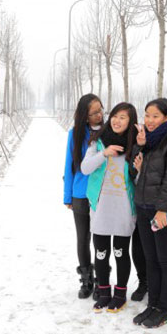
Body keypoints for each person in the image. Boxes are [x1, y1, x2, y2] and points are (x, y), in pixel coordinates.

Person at [80, 102, 139, 313]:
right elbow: (85, 168)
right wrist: (104, 154)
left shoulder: (135, 145)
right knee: (101, 252)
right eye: (115, 115)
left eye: (123, 117)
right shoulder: (97, 142)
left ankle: (120, 294)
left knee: (121, 252)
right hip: (101, 207)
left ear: (131, 122)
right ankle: (104, 292)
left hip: (123, 208)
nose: (117, 120)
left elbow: (140, 178)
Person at [130, 98, 167, 329]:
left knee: (165, 259)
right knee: (150, 259)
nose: (149, 121)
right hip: (142, 205)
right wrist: (139, 145)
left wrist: (162, 209)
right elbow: (134, 170)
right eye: (147, 115)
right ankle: (153, 304)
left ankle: (163, 308)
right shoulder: (147, 141)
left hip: (161, 211)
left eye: (155, 116)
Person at [63, 94, 104, 299]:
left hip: (102, 194)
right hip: (80, 193)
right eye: (94, 113)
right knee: (83, 238)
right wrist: (67, 196)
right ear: (84, 116)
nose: (99, 115)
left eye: (100, 110)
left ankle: (101, 280)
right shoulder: (75, 134)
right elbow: (69, 165)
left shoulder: (108, 131)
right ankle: (86, 279)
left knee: (100, 239)